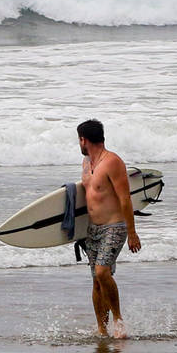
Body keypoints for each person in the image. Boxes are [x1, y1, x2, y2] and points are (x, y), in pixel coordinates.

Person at [77, 119, 141, 339]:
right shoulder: (86, 163)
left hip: (114, 226)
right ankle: (102, 329)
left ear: (83, 139)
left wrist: (132, 232)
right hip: (92, 229)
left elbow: (125, 198)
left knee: (103, 272)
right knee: (96, 280)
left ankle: (118, 320)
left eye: (79, 140)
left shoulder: (113, 162)